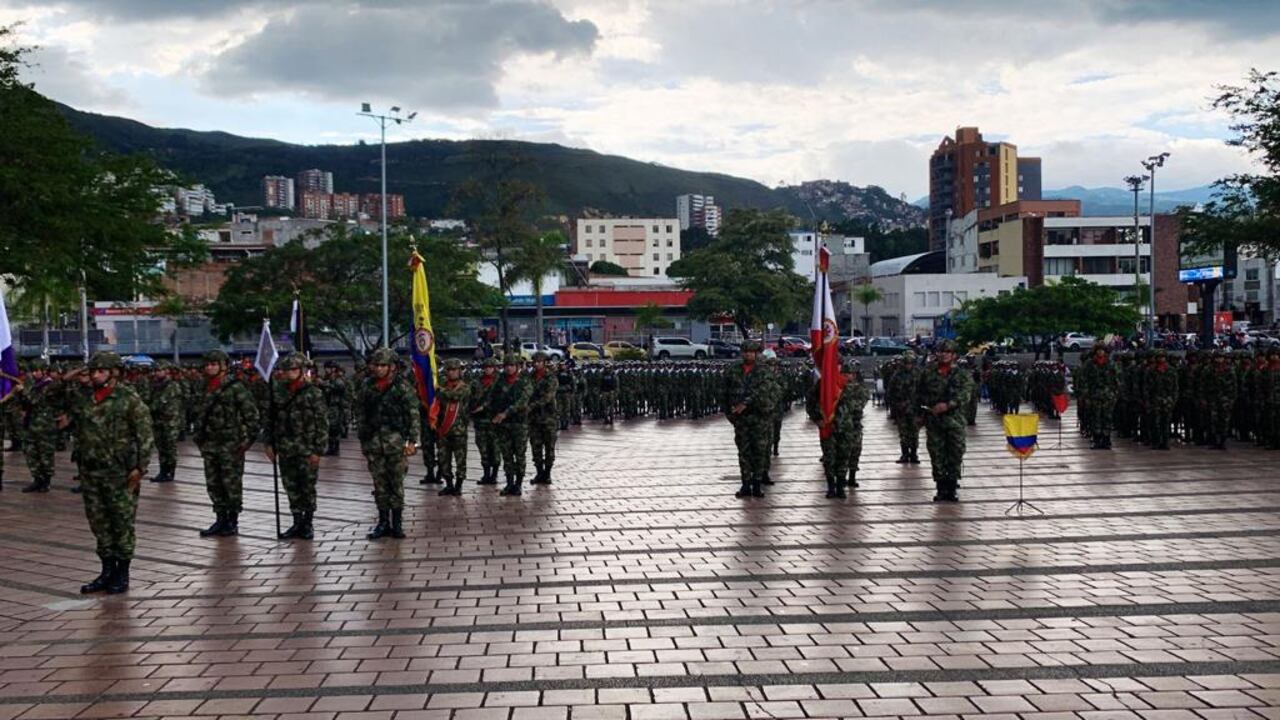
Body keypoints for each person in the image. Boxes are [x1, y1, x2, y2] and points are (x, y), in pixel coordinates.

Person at [59, 352, 153, 594]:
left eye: (100, 371)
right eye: (93, 371)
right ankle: (106, 570)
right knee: (99, 524)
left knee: (121, 523)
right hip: (91, 473)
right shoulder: (85, 398)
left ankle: (122, 573)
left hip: (119, 473)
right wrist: (70, 375)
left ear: (114, 373)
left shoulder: (129, 399)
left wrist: (140, 468)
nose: (95, 375)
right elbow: (52, 396)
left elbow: (145, 435)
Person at [193, 350, 260, 537]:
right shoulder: (203, 386)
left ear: (223, 365)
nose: (209, 367)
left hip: (231, 445)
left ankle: (232, 521)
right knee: (214, 484)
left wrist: (245, 442)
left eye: (214, 364)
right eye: (207, 365)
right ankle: (220, 519)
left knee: (231, 484)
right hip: (210, 445)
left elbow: (252, 417)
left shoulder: (235, 387)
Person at [264, 353, 328, 540]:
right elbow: (270, 419)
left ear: (301, 371)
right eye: (287, 370)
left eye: (293, 369)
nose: (290, 373)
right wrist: (268, 443)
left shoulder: (313, 393)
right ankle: (296, 522)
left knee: (307, 488)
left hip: (306, 449)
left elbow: (322, 424)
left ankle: (307, 524)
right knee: (290, 486)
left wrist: (318, 451)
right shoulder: (277, 392)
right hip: (285, 448)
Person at [357, 348, 419, 539]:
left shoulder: (402, 387)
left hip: (396, 443)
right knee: (380, 484)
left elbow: (413, 415)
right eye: (376, 365)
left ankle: (397, 523)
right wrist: (364, 441)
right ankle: (383, 522)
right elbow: (361, 414)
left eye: (383, 365)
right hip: (374, 443)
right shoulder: (367, 386)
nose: (378, 369)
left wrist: (412, 442)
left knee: (396, 484)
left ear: (392, 367)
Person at [916, 339, 974, 502]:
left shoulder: (961, 374)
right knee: (937, 454)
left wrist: (948, 405)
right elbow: (919, 393)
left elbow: (966, 394)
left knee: (955, 454)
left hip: (954, 421)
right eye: (940, 352)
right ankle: (941, 488)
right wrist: (919, 414)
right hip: (934, 422)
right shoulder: (928, 373)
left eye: (947, 352)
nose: (943, 355)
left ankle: (952, 486)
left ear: (954, 355)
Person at [807, 358, 869, 498]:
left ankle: (841, 486)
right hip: (828, 427)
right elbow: (811, 401)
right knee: (829, 457)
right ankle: (830, 487)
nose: (848, 377)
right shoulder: (825, 385)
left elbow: (859, 405)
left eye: (851, 374)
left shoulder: (858, 389)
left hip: (848, 428)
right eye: (845, 374)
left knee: (843, 457)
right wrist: (817, 418)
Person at [723, 341, 773, 498]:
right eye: (745, 352)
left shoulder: (763, 370)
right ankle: (746, 484)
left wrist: (745, 403)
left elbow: (764, 390)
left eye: (751, 352)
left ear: (756, 353)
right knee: (743, 453)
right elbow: (724, 393)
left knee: (759, 452)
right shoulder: (733, 371)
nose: (748, 354)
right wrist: (729, 414)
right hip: (741, 420)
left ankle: (757, 484)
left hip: (759, 418)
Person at [490, 353, 533, 496]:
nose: (509, 368)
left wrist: (505, 413)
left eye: (512, 366)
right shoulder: (500, 381)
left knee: (519, 454)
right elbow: (493, 397)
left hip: (519, 423)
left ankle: (518, 484)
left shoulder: (524, 381)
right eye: (506, 366)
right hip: (503, 425)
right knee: (507, 455)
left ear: (517, 367)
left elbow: (522, 401)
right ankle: (509, 483)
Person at [19, 359, 59, 493]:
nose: (35, 373)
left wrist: (24, 389)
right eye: (33, 371)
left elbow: (33, 399)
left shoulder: (48, 385)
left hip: (44, 426)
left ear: (44, 371)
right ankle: (37, 479)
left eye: (38, 371)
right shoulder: (34, 385)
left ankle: (46, 481)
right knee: (31, 453)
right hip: (31, 424)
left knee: (45, 454)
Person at [432, 359, 471, 496]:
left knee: (460, 459)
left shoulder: (464, 387)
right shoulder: (442, 386)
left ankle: (458, 486)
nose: (452, 372)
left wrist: (439, 391)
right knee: (443, 459)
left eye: (455, 370)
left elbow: (455, 396)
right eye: (449, 370)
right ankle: (448, 484)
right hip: (443, 428)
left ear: (460, 371)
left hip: (458, 430)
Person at [147, 361, 185, 483]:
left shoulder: (172, 386)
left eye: (160, 370)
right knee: (161, 448)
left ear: (166, 371)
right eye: (156, 370)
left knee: (170, 448)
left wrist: (150, 407)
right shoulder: (157, 385)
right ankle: (163, 471)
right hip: (159, 421)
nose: (157, 373)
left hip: (170, 422)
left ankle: (170, 472)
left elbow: (161, 403)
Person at [527, 352, 560, 485]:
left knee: (549, 447)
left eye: (539, 362)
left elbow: (548, 397)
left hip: (548, 417)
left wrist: (531, 405)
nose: (536, 364)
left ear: (544, 362)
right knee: (536, 447)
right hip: (534, 419)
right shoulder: (530, 377)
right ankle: (539, 473)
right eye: (534, 362)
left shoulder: (551, 378)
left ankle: (547, 474)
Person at [470, 357, 501, 485]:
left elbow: (500, 399)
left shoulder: (499, 382)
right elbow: (470, 397)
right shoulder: (477, 382)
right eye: (486, 367)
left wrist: (485, 407)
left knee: (495, 448)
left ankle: (494, 474)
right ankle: (486, 474)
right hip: (480, 421)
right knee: (483, 448)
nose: (488, 369)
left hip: (494, 421)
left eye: (490, 367)